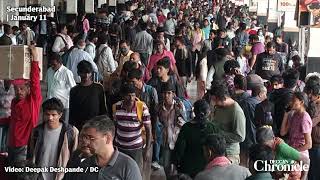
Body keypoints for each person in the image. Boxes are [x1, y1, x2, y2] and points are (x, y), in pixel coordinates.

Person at [0, 45, 41, 163]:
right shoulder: (14, 101)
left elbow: (35, 81)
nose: (18, 91)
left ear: (28, 89)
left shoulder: (33, 100)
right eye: (16, 88)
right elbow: (12, 120)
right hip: (11, 143)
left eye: (22, 88)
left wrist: (35, 58)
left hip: (24, 146)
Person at [71, 116, 142, 180]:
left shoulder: (128, 166)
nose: (85, 142)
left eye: (91, 138)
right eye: (84, 137)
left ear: (108, 138)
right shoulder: (80, 160)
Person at [29, 98, 78, 180]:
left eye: (53, 115)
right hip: (39, 175)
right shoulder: (36, 131)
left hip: (61, 176)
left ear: (60, 115)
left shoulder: (71, 132)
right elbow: (30, 154)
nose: (50, 118)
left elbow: (75, 157)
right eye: (47, 114)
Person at [172, 99, 219, 178]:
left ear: (194, 112)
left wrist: (176, 164)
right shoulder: (213, 128)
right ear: (208, 112)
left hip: (188, 169)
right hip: (208, 170)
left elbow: (179, 149)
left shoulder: (186, 128)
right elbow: (219, 149)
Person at [112, 83, 152, 173]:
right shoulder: (116, 107)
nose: (131, 99)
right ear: (122, 95)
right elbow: (115, 127)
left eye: (133, 95)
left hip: (136, 150)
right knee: (120, 173)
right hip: (120, 148)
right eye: (128, 96)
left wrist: (147, 150)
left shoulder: (142, 107)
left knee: (135, 173)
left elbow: (148, 130)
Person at [209, 81, 246, 165]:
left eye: (214, 100)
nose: (213, 102)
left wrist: (219, 133)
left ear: (222, 98)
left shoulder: (236, 111)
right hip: (216, 150)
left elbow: (240, 137)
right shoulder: (218, 107)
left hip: (229, 153)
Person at [153, 82, 186, 173]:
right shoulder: (159, 108)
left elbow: (185, 122)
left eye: (168, 93)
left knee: (178, 165)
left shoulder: (179, 106)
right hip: (165, 140)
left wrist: (180, 119)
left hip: (177, 140)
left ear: (173, 94)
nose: (166, 95)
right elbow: (156, 123)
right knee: (166, 165)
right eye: (164, 93)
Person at [281, 92, 312, 180]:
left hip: (300, 154)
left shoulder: (304, 118)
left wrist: (292, 151)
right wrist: (286, 115)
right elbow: (283, 132)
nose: (291, 102)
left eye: (293, 100)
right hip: (292, 153)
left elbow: (309, 144)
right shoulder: (294, 114)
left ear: (301, 102)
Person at [69, 60, 107, 130]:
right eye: (83, 73)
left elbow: (103, 109)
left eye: (88, 72)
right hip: (80, 127)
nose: (86, 75)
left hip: (96, 126)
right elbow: (72, 113)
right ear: (78, 73)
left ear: (91, 73)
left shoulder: (98, 88)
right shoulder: (74, 90)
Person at [239, 85, 268, 166]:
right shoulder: (260, 106)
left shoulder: (242, 103)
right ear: (260, 94)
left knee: (242, 162)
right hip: (255, 138)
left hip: (243, 138)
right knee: (253, 164)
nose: (266, 97)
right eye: (265, 94)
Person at [46, 53, 76, 123]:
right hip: (51, 104)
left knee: (63, 125)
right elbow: (48, 85)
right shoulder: (49, 71)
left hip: (63, 105)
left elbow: (74, 88)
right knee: (51, 124)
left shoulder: (67, 72)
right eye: (51, 64)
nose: (52, 66)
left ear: (60, 63)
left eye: (54, 64)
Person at [269, 69, 299, 136]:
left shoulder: (272, 94)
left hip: (271, 131)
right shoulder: (294, 99)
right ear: (296, 83)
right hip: (286, 133)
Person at [304, 75, 320, 180]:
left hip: (316, 145)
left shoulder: (315, 104)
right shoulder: (309, 103)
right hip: (310, 144)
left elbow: (310, 124)